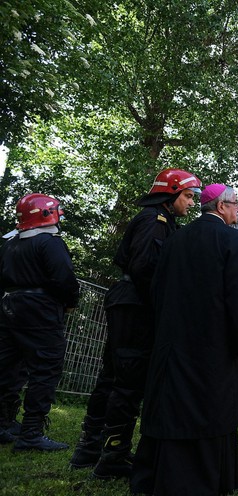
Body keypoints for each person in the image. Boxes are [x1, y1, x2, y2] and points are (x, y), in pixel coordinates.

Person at [70, 168, 201, 478]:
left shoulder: (159, 220)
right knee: (127, 380)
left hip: (128, 301)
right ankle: (113, 455)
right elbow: (146, 268)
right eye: (187, 196)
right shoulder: (154, 222)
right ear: (170, 194)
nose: (192, 203)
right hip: (136, 306)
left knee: (112, 376)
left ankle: (89, 449)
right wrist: (166, 304)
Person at [130, 184, 238, 496]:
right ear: (222, 206)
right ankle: (204, 481)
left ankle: (156, 476)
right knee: (208, 411)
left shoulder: (175, 238)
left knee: (170, 407)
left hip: (172, 343)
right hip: (213, 348)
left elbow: (156, 289)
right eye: (236, 205)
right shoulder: (233, 239)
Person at [0, 193, 80, 450]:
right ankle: (31, 432)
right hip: (40, 311)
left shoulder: (10, 244)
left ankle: (3, 424)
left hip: (9, 307)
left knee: (9, 367)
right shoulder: (49, 242)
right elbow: (64, 278)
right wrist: (69, 302)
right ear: (48, 214)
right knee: (45, 368)